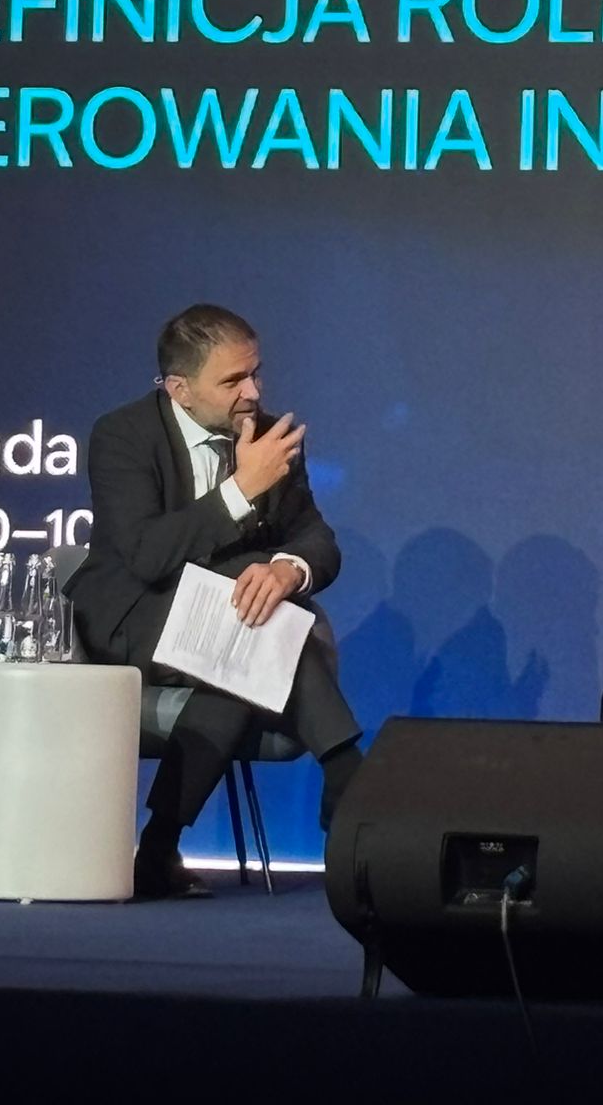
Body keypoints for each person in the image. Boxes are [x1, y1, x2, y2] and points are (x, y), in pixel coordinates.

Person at [67, 304, 363, 900]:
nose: (253, 392)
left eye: (255, 373)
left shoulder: (269, 437)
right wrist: (241, 489)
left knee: (237, 658)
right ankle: (347, 772)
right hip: (132, 616)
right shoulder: (122, 435)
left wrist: (287, 569)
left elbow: (318, 540)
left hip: (228, 633)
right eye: (233, 380)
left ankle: (158, 850)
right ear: (180, 388)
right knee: (247, 622)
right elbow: (147, 556)